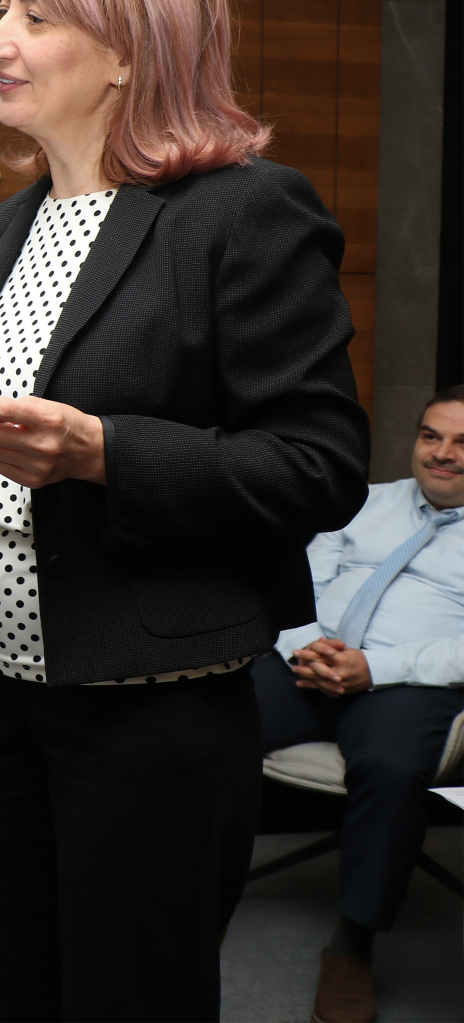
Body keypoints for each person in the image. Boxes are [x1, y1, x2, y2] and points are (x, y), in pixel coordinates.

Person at [0, 0, 369, 1021]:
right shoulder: (7, 227)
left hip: (144, 713)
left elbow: (317, 464)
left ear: (131, 47)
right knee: (10, 989)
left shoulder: (244, 213)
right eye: (2, 11)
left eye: (34, 17)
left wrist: (103, 452)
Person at [254, 387, 464, 1023]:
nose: (443, 454)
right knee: (204, 721)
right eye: (431, 436)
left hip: (411, 684)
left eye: (463, 444)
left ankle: (353, 943)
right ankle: (173, 887)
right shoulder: (365, 501)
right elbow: (302, 582)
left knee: (391, 767)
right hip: (312, 662)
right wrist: (307, 645)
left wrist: (379, 668)